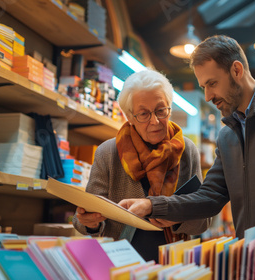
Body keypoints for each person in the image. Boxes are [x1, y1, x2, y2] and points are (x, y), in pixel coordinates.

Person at [119, 35, 255, 279]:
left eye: (212, 83)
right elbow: (210, 197)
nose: (207, 95)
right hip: (253, 268)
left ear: (237, 70)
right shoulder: (228, 136)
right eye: (203, 86)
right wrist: (152, 205)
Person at [73, 69, 210, 262]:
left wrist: (178, 217)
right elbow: (83, 220)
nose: (154, 121)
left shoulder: (187, 151)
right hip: (120, 263)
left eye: (161, 111)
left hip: (173, 263)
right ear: (129, 116)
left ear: (170, 108)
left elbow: (203, 220)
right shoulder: (108, 153)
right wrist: (89, 223)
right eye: (144, 114)